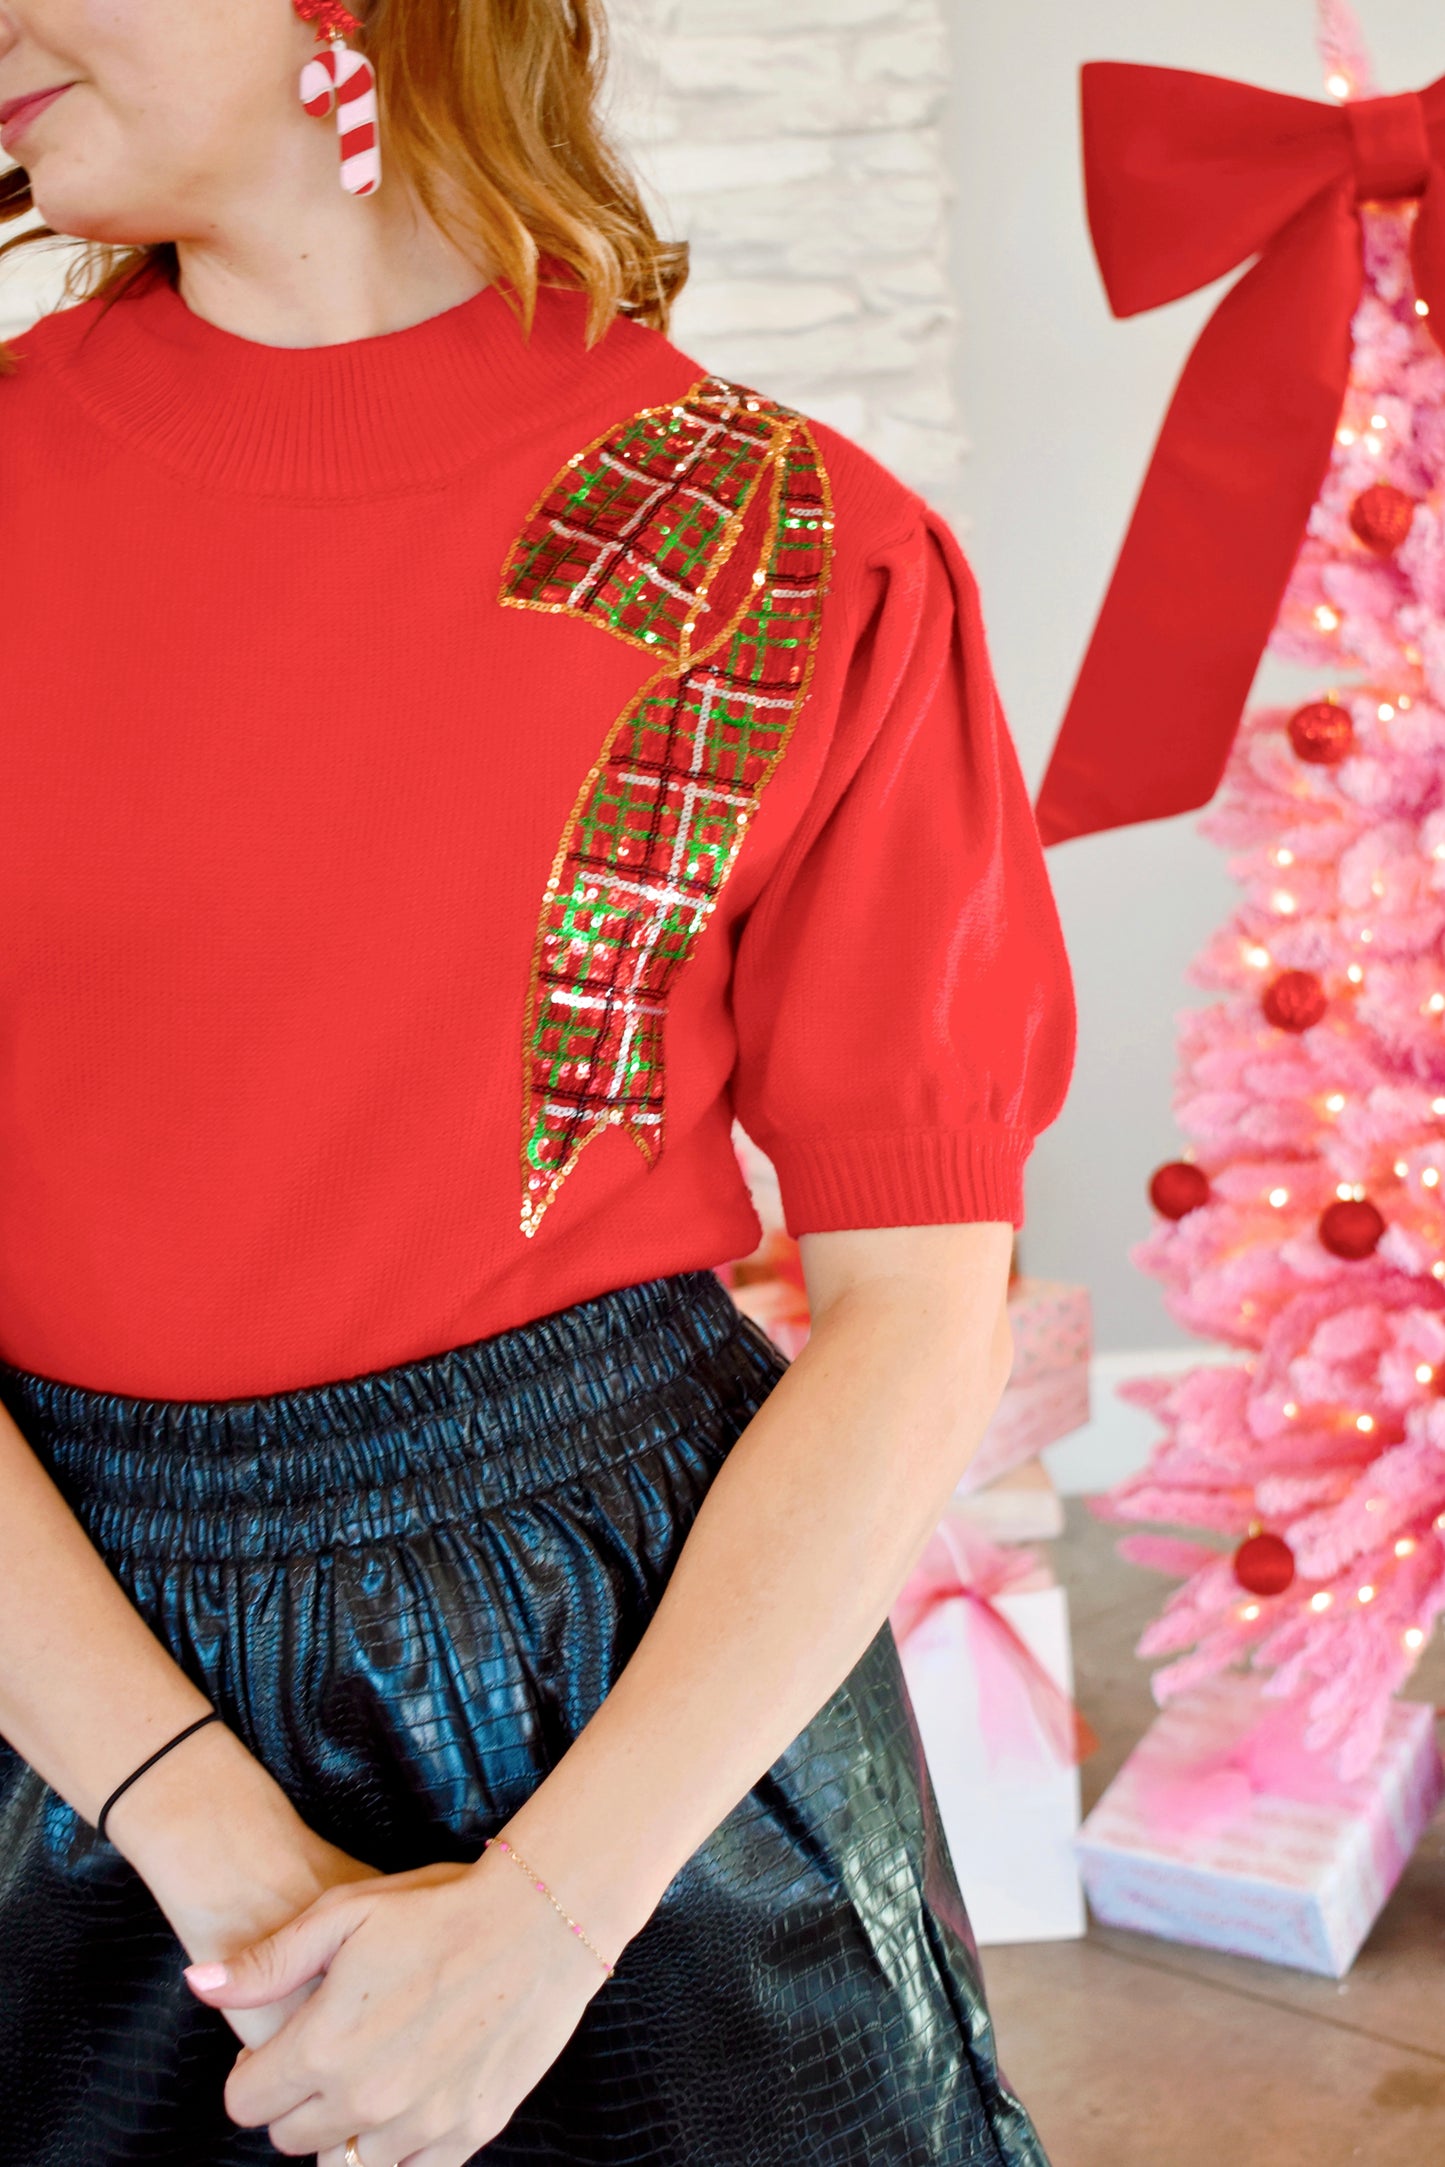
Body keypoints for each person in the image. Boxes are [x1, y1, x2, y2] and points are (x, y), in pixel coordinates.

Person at [0, 2, 1075, 2163]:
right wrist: (227, 1860)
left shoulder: (807, 554)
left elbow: (912, 1305)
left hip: (647, 1696)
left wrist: (547, 1915)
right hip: (50, 1682)